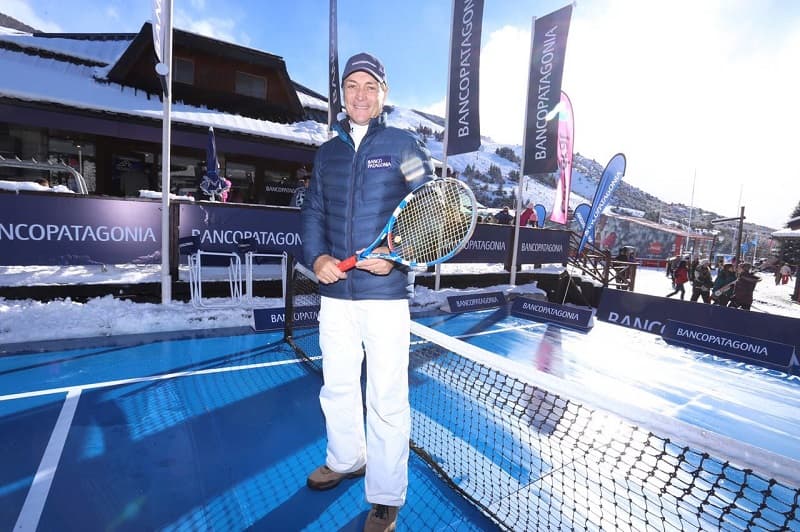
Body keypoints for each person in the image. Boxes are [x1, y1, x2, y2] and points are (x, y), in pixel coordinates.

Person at [300, 52, 434, 532]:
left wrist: (397, 255)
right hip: (335, 298)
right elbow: (313, 211)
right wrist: (317, 260)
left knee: (386, 398)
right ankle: (345, 458)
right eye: (352, 85)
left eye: (370, 86)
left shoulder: (405, 145)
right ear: (342, 93)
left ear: (384, 94)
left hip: (385, 297)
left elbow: (433, 215)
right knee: (336, 386)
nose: (360, 94)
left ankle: (384, 495)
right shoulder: (326, 152)